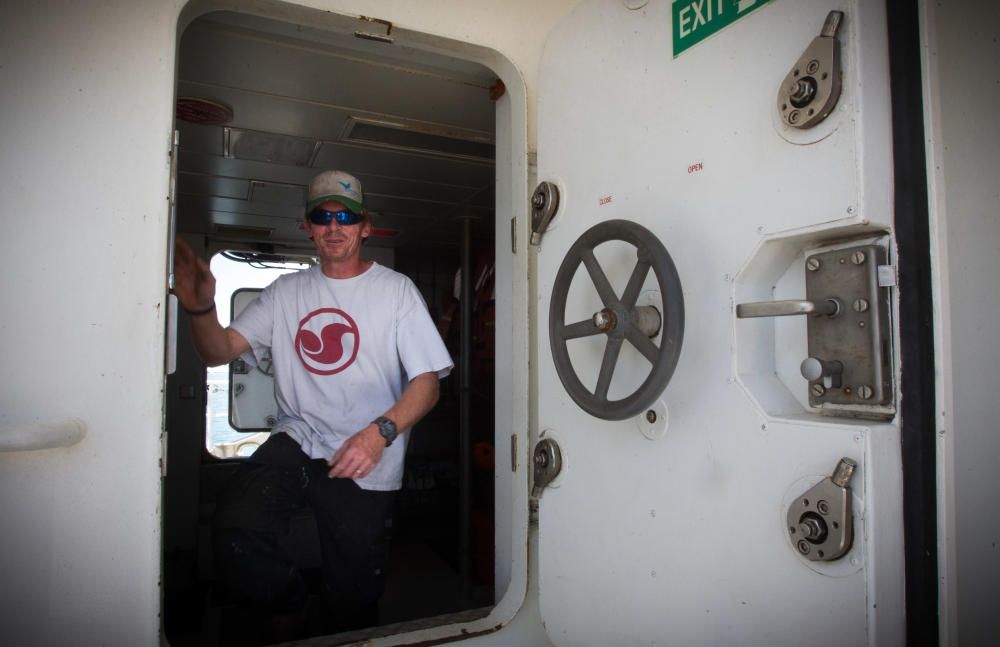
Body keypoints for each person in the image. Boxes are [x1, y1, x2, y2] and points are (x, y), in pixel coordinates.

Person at [172, 170, 453, 637]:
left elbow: (428, 384)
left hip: (366, 458)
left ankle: (342, 623)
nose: (334, 226)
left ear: (366, 226)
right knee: (238, 523)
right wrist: (200, 308)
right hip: (298, 441)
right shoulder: (286, 294)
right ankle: (295, 614)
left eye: (346, 216)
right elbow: (217, 351)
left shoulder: (396, 291)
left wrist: (378, 433)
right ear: (308, 226)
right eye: (323, 216)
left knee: (357, 595)